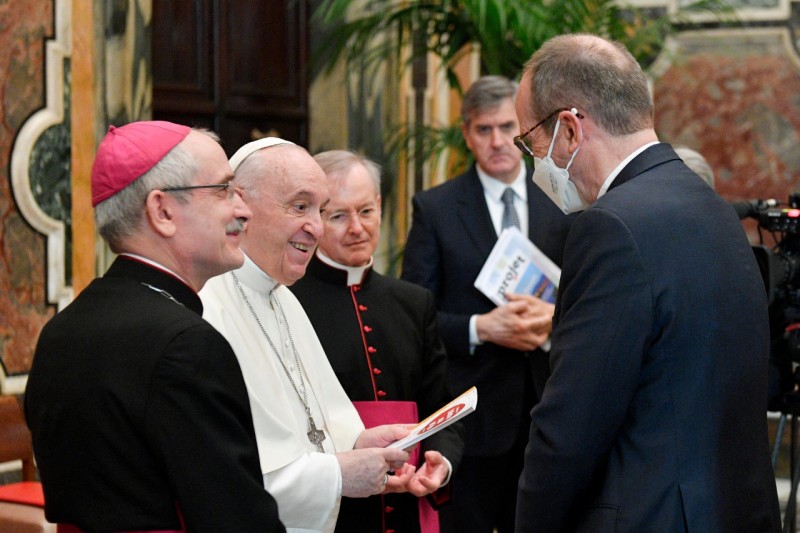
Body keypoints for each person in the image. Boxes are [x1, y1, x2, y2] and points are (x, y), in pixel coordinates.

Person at [513, 33, 781, 532]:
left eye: (531, 143)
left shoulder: (610, 226)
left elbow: (571, 426)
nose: (536, 164)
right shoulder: (715, 209)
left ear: (569, 130)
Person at [24, 121, 285, 532]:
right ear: (162, 211)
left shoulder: (62, 328)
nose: (243, 209)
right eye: (223, 190)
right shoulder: (185, 345)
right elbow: (236, 520)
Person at [199, 138, 412, 533]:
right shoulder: (206, 306)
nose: (315, 227)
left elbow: (317, 424)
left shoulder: (285, 299)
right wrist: (336, 474)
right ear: (241, 204)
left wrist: (357, 442)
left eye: (320, 210)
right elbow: (226, 475)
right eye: (300, 207)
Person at [401, 75, 575, 533]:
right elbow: (412, 319)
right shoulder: (435, 209)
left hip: (550, 410)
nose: (497, 141)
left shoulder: (564, 200)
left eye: (505, 127)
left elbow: (591, 299)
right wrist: (481, 328)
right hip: (473, 421)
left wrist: (554, 323)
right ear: (466, 133)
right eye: (484, 130)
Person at [290, 150, 465, 533]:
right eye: (339, 215)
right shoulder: (289, 302)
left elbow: (442, 407)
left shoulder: (413, 302)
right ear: (314, 219)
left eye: (366, 211)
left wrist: (442, 460)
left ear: (381, 207)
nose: (357, 227)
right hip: (334, 508)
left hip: (408, 505)